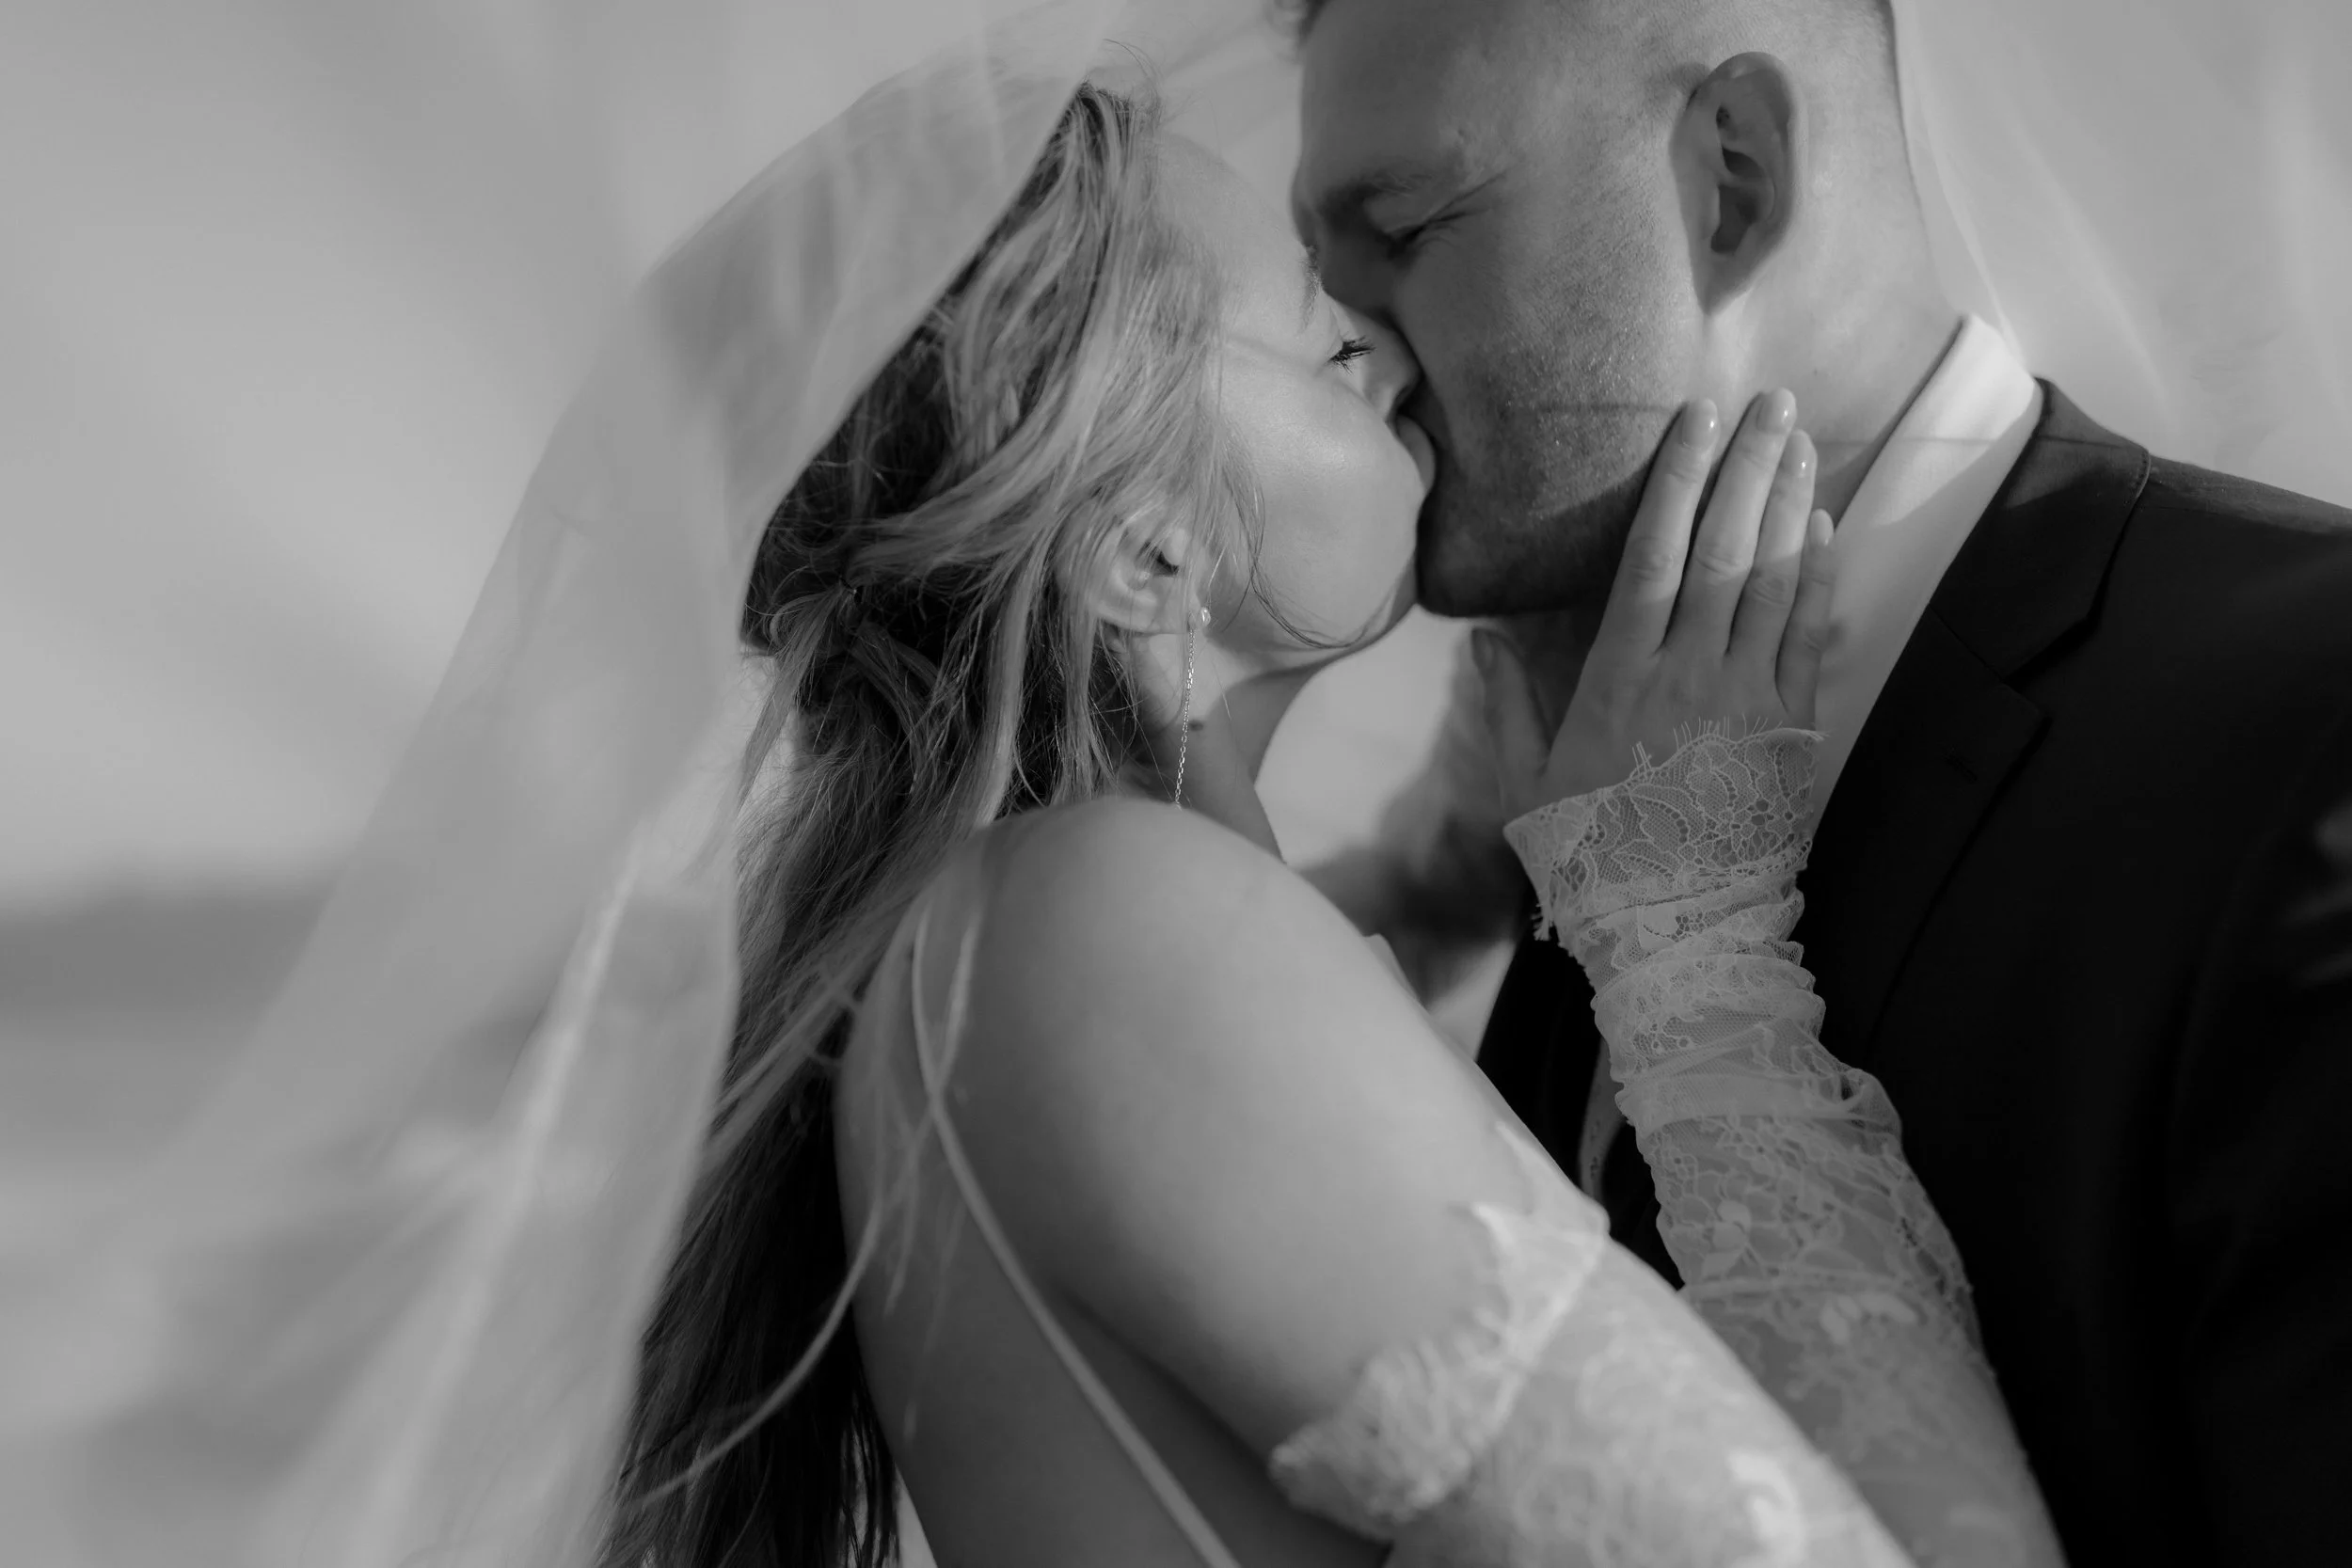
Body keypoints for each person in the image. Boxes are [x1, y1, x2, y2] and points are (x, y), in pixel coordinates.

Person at [603, 83, 2066, 1567]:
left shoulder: (1032, 935)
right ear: (1148, 551)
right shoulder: (1100, 926)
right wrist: (1691, 937)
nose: (1400, 360)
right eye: (1328, 341)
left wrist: (1454, 888)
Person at [1286, 1, 2352, 1562]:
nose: (1347, 349)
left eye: (1405, 232)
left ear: (1729, 177)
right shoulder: (1595, 782)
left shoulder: (2306, 720)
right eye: (1321, 280)